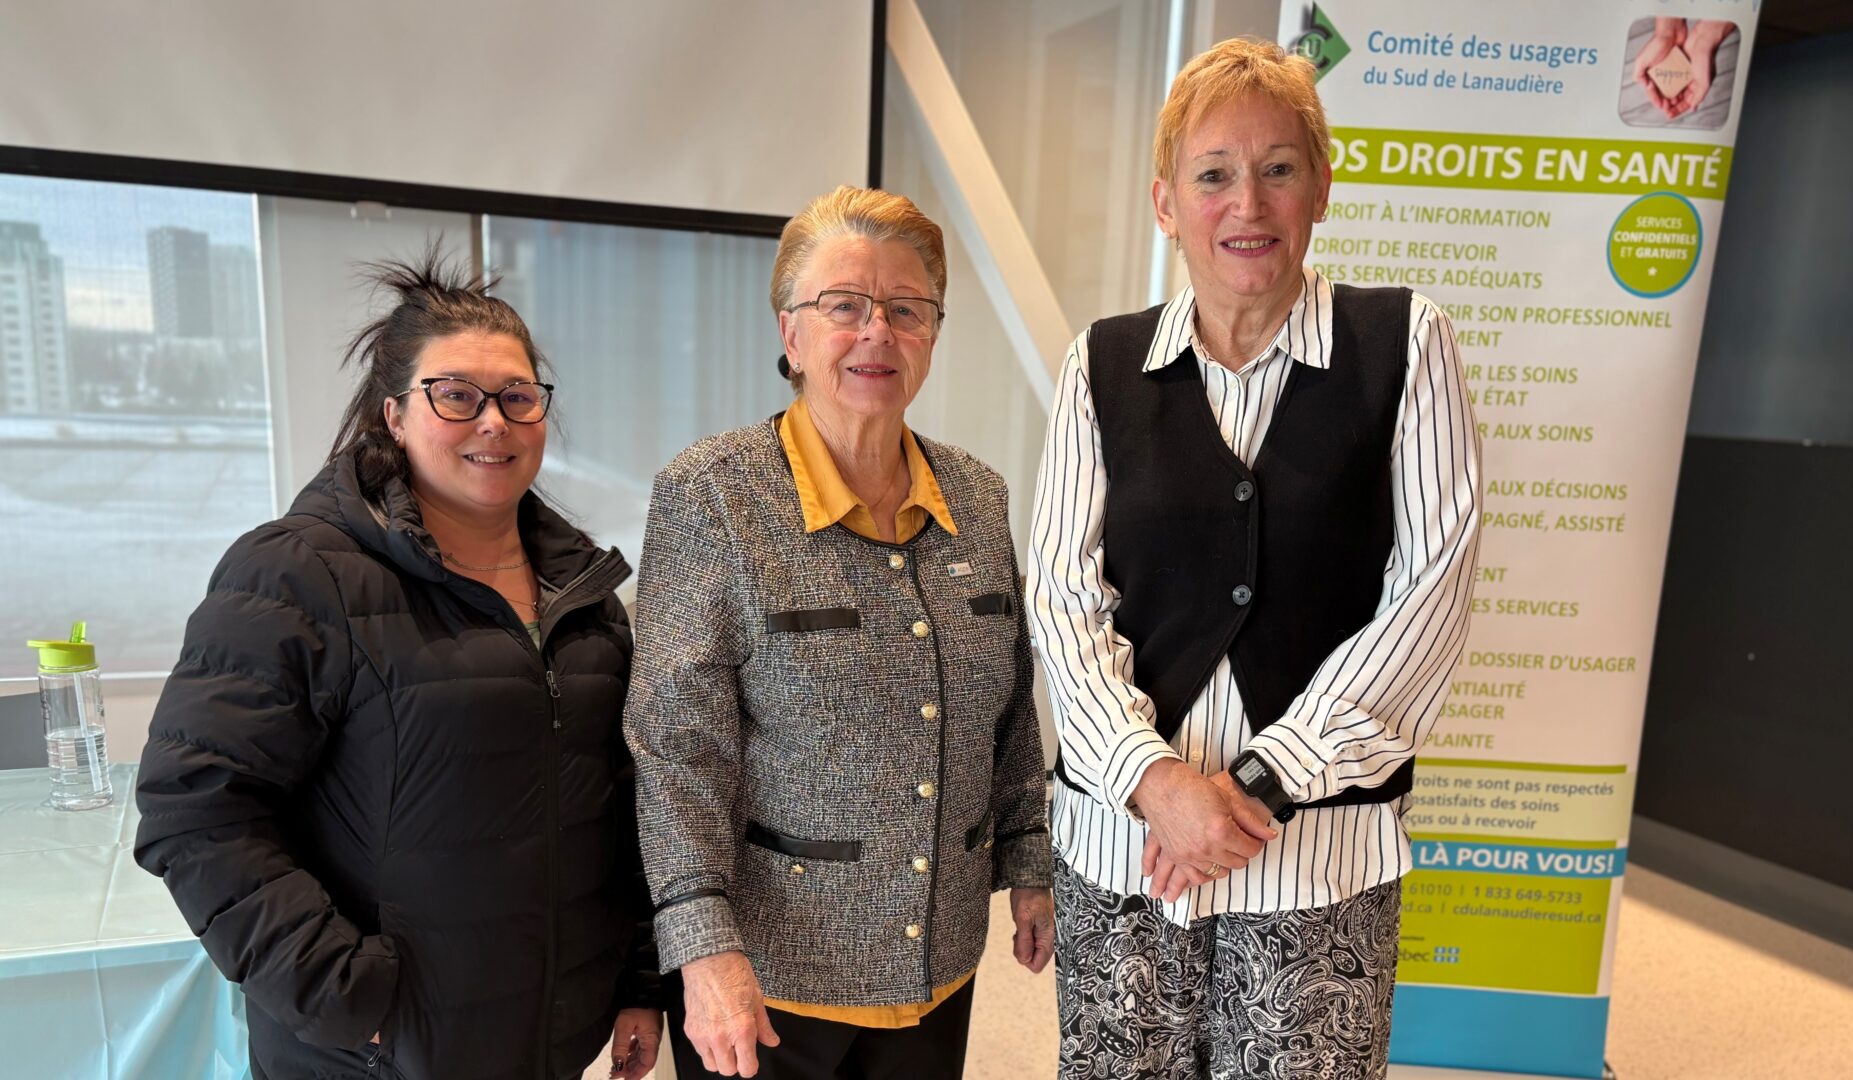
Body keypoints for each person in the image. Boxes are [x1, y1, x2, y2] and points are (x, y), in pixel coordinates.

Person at [1028, 38, 1482, 1080]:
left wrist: (1264, 783)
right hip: (1127, 851)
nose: (1248, 203)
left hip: (1318, 858)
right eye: (1213, 175)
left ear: (1321, 188)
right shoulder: (1100, 364)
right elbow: (1061, 597)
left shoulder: (1406, 344)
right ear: (1165, 203)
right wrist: (1153, 781)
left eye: (1278, 168)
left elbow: (1431, 593)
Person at [134, 252, 667, 1080]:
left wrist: (636, 980)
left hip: (550, 1044)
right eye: (456, 395)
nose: (493, 421)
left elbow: (624, 804)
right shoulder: (298, 573)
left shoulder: (584, 594)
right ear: (394, 415)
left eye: (518, 396)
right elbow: (198, 808)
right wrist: (344, 997)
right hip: (375, 1057)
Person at [624, 186, 1052, 1080]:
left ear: (933, 333)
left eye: (906, 309)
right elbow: (674, 749)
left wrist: (1029, 860)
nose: (877, 332)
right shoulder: (714, 495)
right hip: (770, 983)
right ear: (791, 333)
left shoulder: (978, 497)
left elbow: (1007, 710)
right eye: (845, 306)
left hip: (939, 962)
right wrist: (702, 946)